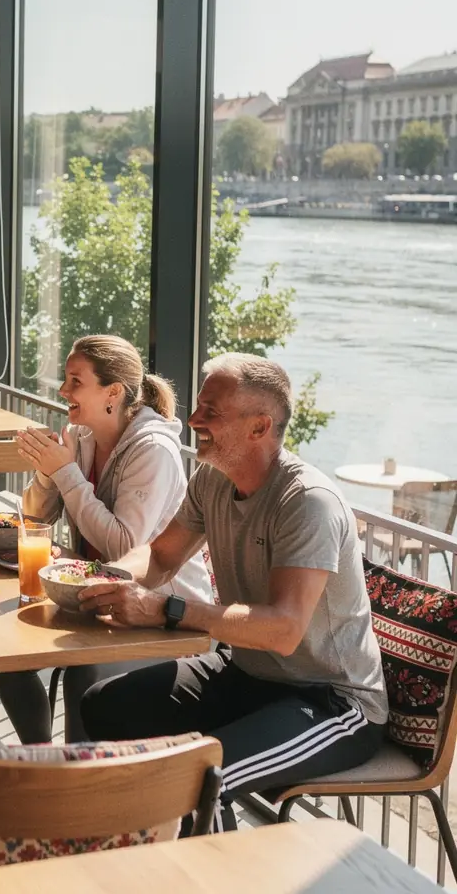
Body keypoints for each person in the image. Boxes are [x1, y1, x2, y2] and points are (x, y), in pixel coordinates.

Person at [76, 353, 387, 831]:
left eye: (211, 412)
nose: (194, 420)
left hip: (332, 700)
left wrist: (167, 609)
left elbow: (283, 630)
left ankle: (214, 866)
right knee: (105, 706)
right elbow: (160, 557)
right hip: (247, 673)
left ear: (259, 427)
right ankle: (147, 850)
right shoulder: (213, 478)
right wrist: (104, 579)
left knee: (203, 778)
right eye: (199, 407)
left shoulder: (307, 502)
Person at [0, 335, 213, 743]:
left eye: (75, 381)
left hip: (160, 614)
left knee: (84, 675)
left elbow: (125, 549)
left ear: (113, 393)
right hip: (94, 596)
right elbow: (35, 520)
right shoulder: (82, 437)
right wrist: (48, 471)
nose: (63, 390)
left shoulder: (153, 450)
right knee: (5, 654)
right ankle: (43, 759)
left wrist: (66, 473)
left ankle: (81, 769)